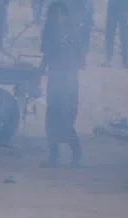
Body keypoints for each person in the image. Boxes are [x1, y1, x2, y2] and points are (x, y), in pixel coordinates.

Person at [40, 0, 88, 167]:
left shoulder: (74, 33)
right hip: (54, 81)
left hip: (69, 82)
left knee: (66, 120)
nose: (58, 18)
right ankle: (54, 156)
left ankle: (76, 153)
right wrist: (40, 74)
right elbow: (45, 55)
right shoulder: (48, 32)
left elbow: (81, 62)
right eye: (55, 15)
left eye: (61, 14)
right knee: (51, 119)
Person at [103, 0, 128, 68]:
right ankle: (108, 59)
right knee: (110, 34)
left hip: (125, 6)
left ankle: (125, 61)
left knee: (125, 36)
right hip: (114, 6)